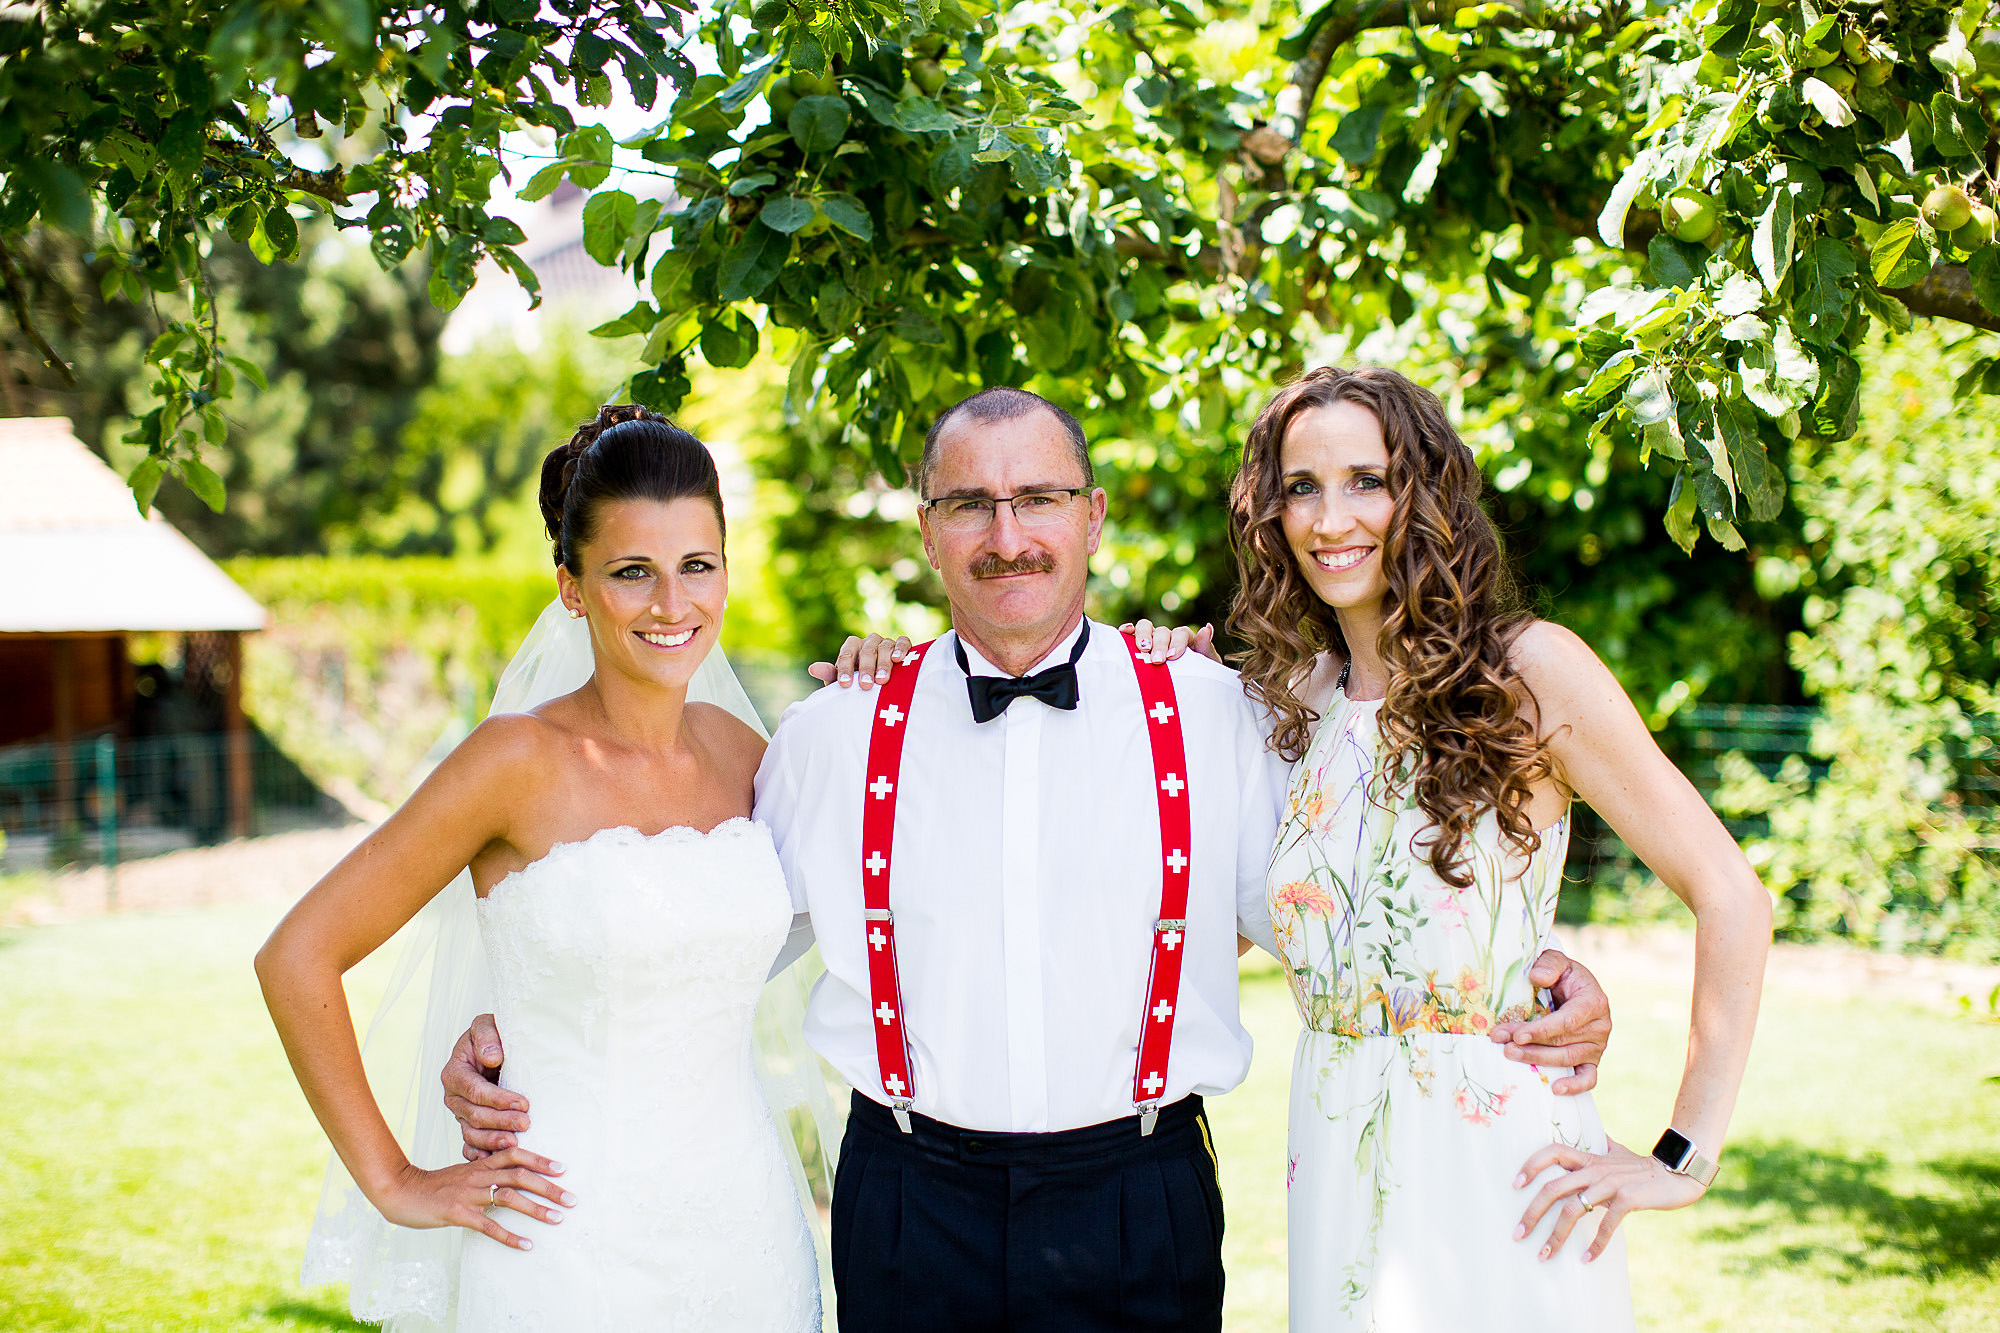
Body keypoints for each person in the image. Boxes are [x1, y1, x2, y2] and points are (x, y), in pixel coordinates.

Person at [443, 386, 1615, 1332]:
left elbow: (1349, 901)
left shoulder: (1221, 715)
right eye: (970, 505)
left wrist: (1533, 969)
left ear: (1092, 516)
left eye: (1039, 499)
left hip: (1139, 1201)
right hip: (906, 1205)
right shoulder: (828, 736)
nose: (1008, 537)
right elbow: (697, 931)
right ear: (926, 529)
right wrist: (522, 1031)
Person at [1226, 366, 1772, 1329]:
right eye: (1301, 486)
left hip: (1501, 1165)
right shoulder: (1293, 701)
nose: (1330, 517)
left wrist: (1682, 1154)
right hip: (1332, 1149)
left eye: (1366, 479)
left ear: (1422, 493)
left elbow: (1731, 893)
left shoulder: (1528, 670)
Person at [257, 407, 821, 1331]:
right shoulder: (512, 761)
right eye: (632, 572)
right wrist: (397, 1179)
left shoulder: (745, 754)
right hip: (562, 1243)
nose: (673, 605)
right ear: (571, 585)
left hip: (748, 1236)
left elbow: (762, 934)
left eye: (698, 566)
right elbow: (296, 955)